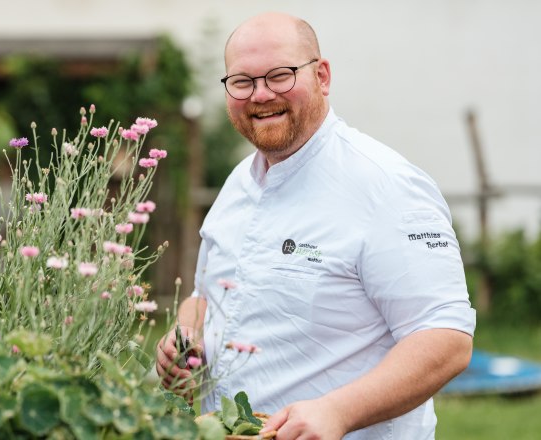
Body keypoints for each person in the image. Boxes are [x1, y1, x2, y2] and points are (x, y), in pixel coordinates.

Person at [155, 11, 476, 440]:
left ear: (322, 76)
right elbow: (205, 294)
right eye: (242, 81)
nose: (260, 94)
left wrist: (337, 412)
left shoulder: (386, 185)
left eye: (280, 75)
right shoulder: (238, 185)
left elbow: (445, 338)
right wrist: (186, 334)